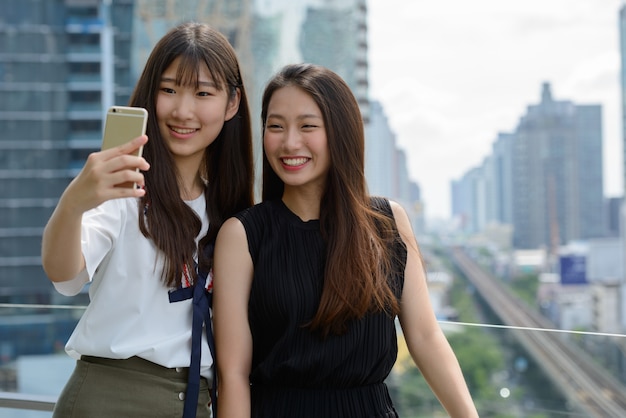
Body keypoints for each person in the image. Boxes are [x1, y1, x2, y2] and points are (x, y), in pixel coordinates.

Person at [212, 63, 479, 418]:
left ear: (341, 132)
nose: (290, 142)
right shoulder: (243, 234)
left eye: (308, 126)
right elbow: (233, 374)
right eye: (275, 126)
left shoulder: (388, 222)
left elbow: (426, 337)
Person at [41, 22, 254, 418]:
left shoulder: (227, 212)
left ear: (232, 103)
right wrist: (73, 203)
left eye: (202, 93)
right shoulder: (123, 188)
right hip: (109, 400)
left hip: (194, 402)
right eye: (169, 89)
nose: (182, 110)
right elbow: (65, 275)